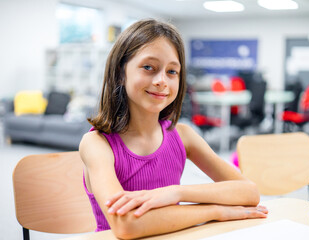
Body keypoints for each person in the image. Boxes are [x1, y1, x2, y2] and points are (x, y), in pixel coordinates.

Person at [79, 19, 267, 239]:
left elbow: (249, 192)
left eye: (172, 71)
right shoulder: (97, 144)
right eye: (148, 67)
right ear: (121, 72)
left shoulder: (182, 135)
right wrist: (215, 211)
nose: (162, 80)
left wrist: (175, 192)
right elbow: (126, 225)